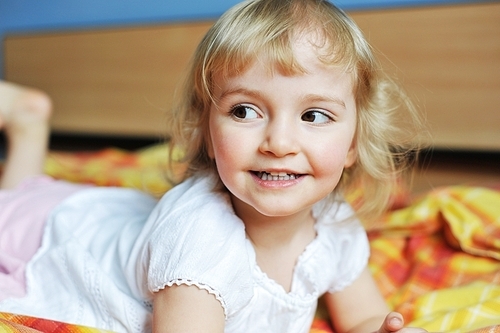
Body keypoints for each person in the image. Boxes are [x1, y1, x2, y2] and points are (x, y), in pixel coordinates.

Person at [0, 0, 430, 332]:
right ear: (206, 128)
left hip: (93, 217)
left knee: (26, 194)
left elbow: (362, 319)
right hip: (55, 234)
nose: (279, 143)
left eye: (314, 116)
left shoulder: (334, 225)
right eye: (245, 111)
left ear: (354, 143)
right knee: (12, 211)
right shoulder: (200, 243)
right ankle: (27, 126)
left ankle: (27, 122)